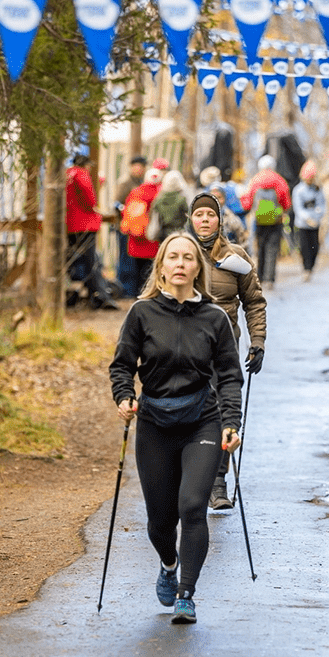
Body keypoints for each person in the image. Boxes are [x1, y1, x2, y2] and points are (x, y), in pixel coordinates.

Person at [110, 232, 243, 624]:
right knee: (160, 520)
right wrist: (123, 396)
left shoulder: (214, 318)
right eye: (173, 257)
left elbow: (230, 376)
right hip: (153, 422)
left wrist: (231, 421)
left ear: (197, 267)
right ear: (162, 267)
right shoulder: (142, 313)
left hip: (202, 419)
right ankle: (169, 563)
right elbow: (122, 365)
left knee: (192, 507)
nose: (181, 263)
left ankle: (186, 593)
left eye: (188, 257)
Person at [188, 191, 267, 511]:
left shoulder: (236, 257)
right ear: (190, 220)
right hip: (183, 351)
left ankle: (218, 482)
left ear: (220, 220)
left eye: (210, 215)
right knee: (188, 413)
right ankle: (191, 479)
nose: (205, 220)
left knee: (224, 414)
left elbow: (254, 302)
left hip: (224, 350)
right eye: (199, 215)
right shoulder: (179, 254)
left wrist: (258, 342)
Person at [65, 153, 120, 310]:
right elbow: (89, 198)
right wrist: (94, 208)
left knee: (77, 260)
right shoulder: (81, 174)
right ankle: (101, 295)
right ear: (86, 164)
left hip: (71, 224)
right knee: (92, 261)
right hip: (85, 224)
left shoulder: (67, 174)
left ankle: (84, 293)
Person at [240, 154, 291, 287]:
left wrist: (247, 208)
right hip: (276, 220)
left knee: (261, 247)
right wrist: (283, 210)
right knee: (272, 248)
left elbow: (247, 201)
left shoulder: (255, 180)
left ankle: (260, 277)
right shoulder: (279, 180)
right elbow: (285, 201)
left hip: (259, 220)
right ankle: (270, 279)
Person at [119, 166, 163, 292]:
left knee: (136, 266)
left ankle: (135, 292)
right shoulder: (160, 193)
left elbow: (126, 211)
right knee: (151, 267)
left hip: (136, 235)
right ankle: (149, 291)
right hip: (152, 236)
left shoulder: (136, 192)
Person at [114, 155, 147, 297]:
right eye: (136, 166)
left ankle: (133, 289)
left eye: (141, 166)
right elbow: (116, 203)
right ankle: (125, 290)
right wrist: (128, 213)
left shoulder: (142, 182)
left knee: (135, 260)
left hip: (137, 229)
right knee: (125, 259)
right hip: (126, 228)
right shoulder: (125, 182)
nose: (139, 169)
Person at [291, 160, 326, 282]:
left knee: (315, 247)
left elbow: (322, 205)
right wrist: (308, 219)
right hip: (302, 224)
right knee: (304, 248)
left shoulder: (317, 190)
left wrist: (317, 217)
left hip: (315, 224)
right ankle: (306, 269)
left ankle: (311, 267)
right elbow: (298, 208)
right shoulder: (298, 190)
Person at [151, 168, 192, 239]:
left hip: (164, 234)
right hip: (180, 234)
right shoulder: (182, 199)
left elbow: (156, 219)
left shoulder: (160, 199)